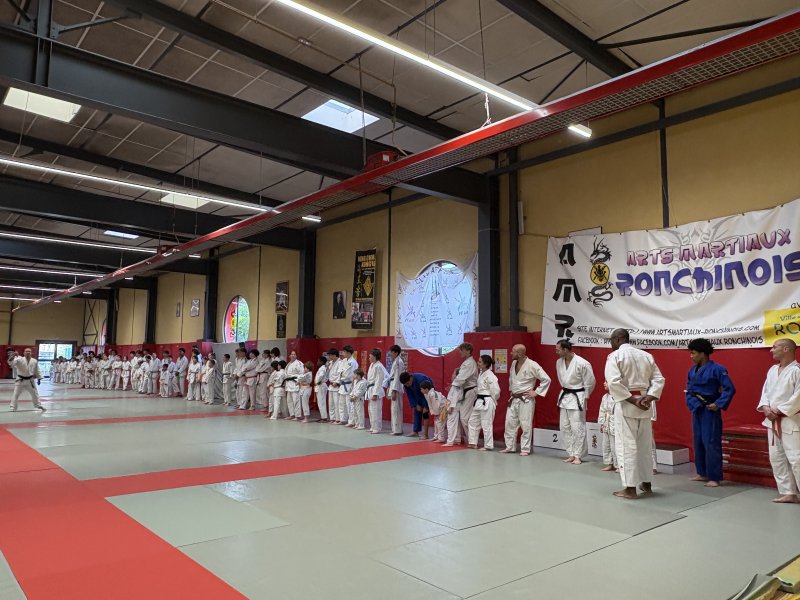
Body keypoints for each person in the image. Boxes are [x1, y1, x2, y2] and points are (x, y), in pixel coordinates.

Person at [605, 328, 666, 500]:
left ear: (618, 339)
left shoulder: (615, 356)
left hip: (627, 403)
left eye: (611, 340)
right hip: (645, 404)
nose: (611, 343)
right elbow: (659, 379)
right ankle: (646, 483)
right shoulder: (646, 356)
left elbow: (613, 382)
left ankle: (630, 489)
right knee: (644, 446)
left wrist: (633, 400)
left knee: (626, 447)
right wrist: (649, 397)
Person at [685, 338, 736, 487]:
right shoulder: (691, 370)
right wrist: (693, 403)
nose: (691, 356)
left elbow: (730, 389)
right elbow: (689, 390)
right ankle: (702, 473)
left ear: (703, 353)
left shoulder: (718, 369)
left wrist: (718, 404)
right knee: (698, 441)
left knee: (711, 442)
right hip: (697, 408)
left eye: (693, 353)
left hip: (710, 409)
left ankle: (714, 477)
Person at [757, 338, 800, 503]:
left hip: (791, 421)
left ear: (786, 349)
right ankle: (788, 492)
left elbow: (798, 397)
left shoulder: (797, 370)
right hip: (772, 421)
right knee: (777, 457)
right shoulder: (772, 370)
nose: (771, 350)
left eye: (774, 347)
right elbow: (765, 392)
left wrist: (779, 410)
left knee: (796, 458)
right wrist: (765, 407)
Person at [501, 345, 551, 456]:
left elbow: (546, 379)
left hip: (526, 399)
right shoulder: (514, 363)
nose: (510, 353)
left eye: (513, 352)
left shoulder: (532, 365)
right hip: (514, 398)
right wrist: (512, 390)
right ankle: (510, 446)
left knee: (525, 424)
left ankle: (525, 448)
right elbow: (511, 379)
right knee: (509, 423)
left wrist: (536, 392)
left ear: (519, 353)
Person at [555, 339, 596, 465]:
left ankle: (578, 455)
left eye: (558, 350)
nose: (556, 352)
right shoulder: (559, 362)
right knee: (564, 426)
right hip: (565, 396)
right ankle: (571, 453)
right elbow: (561, 379)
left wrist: (586, 395)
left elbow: (590, 381)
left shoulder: (582, 363)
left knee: (577, 427)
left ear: (565, 350)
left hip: (578, 396)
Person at [445, 343, 479, 447]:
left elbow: (460, 378)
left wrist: (453, 386)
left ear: (468, 351)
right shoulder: (466, 362)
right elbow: (459, 378)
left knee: (464, 417)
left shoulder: (470, 363)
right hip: (464, 390)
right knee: (462, 417)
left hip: (470, 391)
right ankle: (465, 439)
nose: (460, 352)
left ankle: (472, 440)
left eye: (462, 350)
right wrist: (453, 385)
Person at [468, 355, 501, 450]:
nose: (478, 363)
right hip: (479, 401)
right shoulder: (481, 373)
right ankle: (473, 442)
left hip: (487, 401)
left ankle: (488, 445)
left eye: (480, 362)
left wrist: (493, 400)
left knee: (486, 424)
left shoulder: (490, 375)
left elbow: (496, 391)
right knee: (472, 421)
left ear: (486, 364)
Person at [400, 372, 432, 438]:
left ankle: (426, 435)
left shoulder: (421, 379)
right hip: (417, 397)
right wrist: (415, 404)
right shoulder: (406, 384)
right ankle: (415, 431)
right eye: (405, 384)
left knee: (425, 413)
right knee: (417, 411)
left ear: (410, 378)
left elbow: (430, 391)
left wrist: (426, 406)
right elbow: (410, 395)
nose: (407, 385)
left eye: (408, 383)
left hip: (428, 395)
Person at [366, 349, 388, 434]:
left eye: (370, 356)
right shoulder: (372, 365)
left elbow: (379, 381)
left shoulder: (379, 366)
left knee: (376, 410)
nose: (369, 358)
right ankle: (373, 426)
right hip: (370, 389)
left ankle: (377, 428)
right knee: (371, 410)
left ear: (375, 357)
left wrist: (375, 394)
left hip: (376, 389)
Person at [598, 382, 617, 472]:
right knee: (606, 445)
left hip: (615, 422)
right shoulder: (604, 397)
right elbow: (602, 410)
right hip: (606, 422)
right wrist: (602, 423)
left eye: (606, 382)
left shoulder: (618, 397)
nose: (604, 383)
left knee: (615, 445)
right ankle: (610, 463)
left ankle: (618, 465)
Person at [336, 346, 357, 425]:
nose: (342, 353)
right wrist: (340, 378)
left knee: (349, 405)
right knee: (341, 404)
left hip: (349, 385)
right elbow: (339, 372)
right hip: (342, 385)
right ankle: (343, 420)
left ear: (348, 353)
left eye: (344, 352)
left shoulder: (353, 362)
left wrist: (342, 375)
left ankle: (351, 421)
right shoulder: (344, 360)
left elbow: (349, 375)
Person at [387, 345, 405, 435]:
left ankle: (397, 430)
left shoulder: (398, 362)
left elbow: (397, 377)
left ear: (396, 352)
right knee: (394, 409)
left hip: (396, 388)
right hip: (394, 385)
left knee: (396, 409)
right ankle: (396, 429)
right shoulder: (396, 361)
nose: (389, 353)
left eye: (391, 352)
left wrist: (394, 390)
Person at [285, 350, 304, 420]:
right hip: (288, 384)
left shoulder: (299, 363)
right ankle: (292, 414)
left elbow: (301, 374)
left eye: (294, 354)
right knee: (289, 401)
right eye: (292, 354)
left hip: (295, 383)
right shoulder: (288, 364)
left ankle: (297, 415)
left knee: (296, 400)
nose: (293, 355)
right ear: (289, 356)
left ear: (296, 356)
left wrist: (298, 381)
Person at [325, 349, 341, 424]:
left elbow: (341, 374)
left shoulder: (340, 363)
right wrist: (327, 366)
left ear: (334, 355)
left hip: (336, 385)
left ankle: (337, 419)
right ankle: (332, 418)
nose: (329, 357)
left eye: (330, 355)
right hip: (331, 385)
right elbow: (327, 373)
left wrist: (337, 382)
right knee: (331, 403)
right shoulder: (330, 363)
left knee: (336, 403)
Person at [314, 355, 329, 423]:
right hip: (320, 385)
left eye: (318, 361)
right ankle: (323, 417)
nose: (317, 362)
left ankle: (324, 418)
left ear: (322, 362)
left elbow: (321, 376)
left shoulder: (323, 368)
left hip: (321, 385)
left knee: (322, 402)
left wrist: (317, 382)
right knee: (320, 402)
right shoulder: (321, 368)